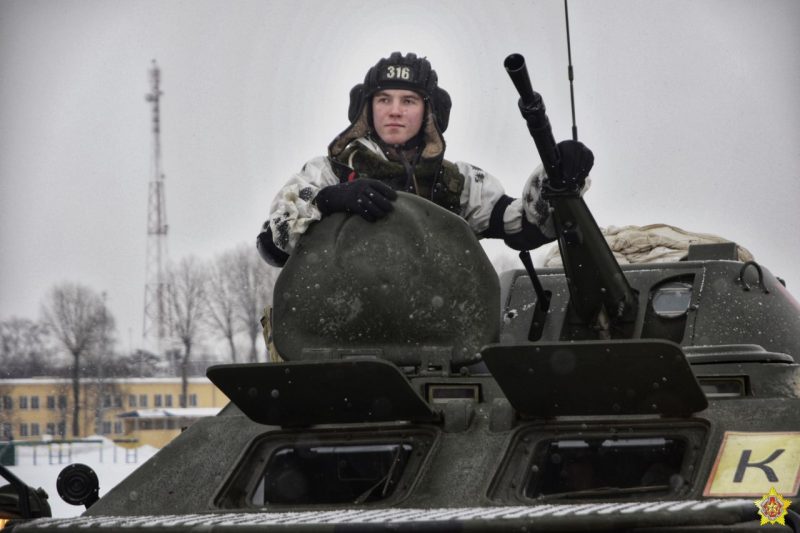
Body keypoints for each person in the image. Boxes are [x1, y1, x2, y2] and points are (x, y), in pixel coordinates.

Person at [257, 51, 593, 267]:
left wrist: (555, 176)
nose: (395, 111)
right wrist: (329, 201)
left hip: (436, 334)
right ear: (367, 109)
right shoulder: (329, 173)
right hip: (340, 332)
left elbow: (523, 227)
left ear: (429, 112)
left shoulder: (456, 183)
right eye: (384, 99)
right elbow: (274, 246)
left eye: (408, 101)